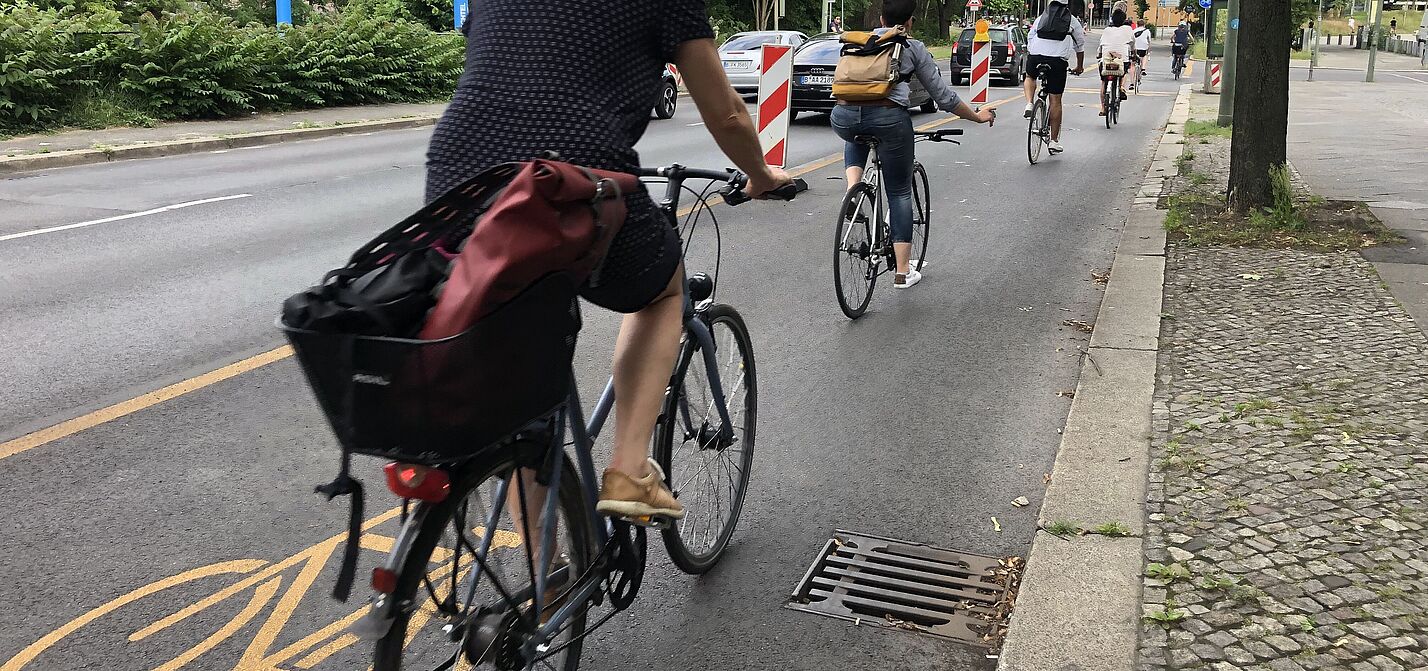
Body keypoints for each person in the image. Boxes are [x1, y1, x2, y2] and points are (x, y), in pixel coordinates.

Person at [425, 0, 792, 520]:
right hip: (570, 176)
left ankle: (543, 579)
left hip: (460, 175)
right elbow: (727, 112)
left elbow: (509, 65)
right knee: (663, 290)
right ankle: (630, 472)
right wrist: (760, 174)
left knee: (516, 389)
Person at [831, 0, 995, 289]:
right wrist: (977, 117)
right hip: (889, 121)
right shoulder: (912, 47)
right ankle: (903, 272)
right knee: (898, 191)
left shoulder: (858, 42)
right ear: (909, 22)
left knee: (856, 128)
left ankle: (852, 190)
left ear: (880, 18)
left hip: (841, 116)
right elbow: (944, 97)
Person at [1022, 0, 1086, 154]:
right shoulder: (1072, 20)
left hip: (1036, 57)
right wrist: (1079, 66)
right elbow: (1080, 45)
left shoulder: (1041, 18)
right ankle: (1054, 141)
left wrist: (1034, 52)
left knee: (1030, 77)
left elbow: (1030, 37)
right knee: (1055, 100)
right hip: (1057, 61)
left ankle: (1030, 103)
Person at [1098, 9, 1135, 116]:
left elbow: (1101, 46)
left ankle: (1102, 108)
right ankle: (1121, 87)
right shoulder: (1128, 29)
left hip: (1106, 60)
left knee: (1104, 82)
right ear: (1124, 20)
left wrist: (1099, 54)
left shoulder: (1106, 30)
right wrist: (1134, 54)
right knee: (1124, 72)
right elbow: (1132, 44)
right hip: (1122, 60)